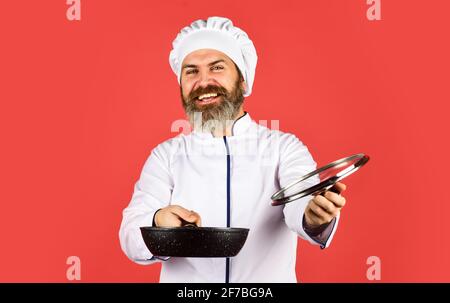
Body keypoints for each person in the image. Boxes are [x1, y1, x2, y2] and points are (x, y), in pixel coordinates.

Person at [119, 16, 347, 283]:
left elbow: (298, 202)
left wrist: (313, 215)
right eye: (191, 71)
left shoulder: (283, 148)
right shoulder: (165, 156)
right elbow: (131, 234)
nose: (203, 82)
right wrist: (158, 222)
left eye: (217, 68)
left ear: (243, 79)